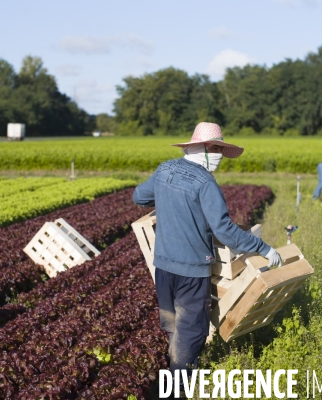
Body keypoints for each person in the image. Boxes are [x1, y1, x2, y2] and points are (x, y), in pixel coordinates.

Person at [132, 122, 282, 391]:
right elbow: (225, 231)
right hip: (191, 271)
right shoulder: (205, 183)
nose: (219, 156)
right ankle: (180, 390)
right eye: (216, 149)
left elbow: (139, 197)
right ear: (200, 148)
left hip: (163, 267)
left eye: (220, 151)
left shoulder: (164, 169)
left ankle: (172, 376)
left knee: (173, 325)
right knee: (191, 333)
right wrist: (264, 248)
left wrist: (168, 203)